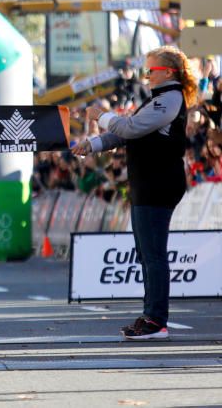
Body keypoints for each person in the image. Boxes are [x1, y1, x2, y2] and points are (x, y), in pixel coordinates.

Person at [72, 45, 198, 341]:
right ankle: (151, 314)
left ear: (167, 72)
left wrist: (102, 116)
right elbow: (126, 132)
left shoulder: (170, 98)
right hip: (147, 183)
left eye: (150, 71)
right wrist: (93, 144)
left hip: (159, 183)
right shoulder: (157, 99)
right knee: (146, 253)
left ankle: (157, 320)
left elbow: (130, 127)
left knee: (153, 255)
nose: (146, 76)